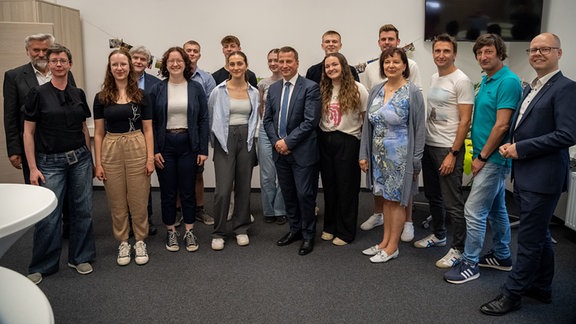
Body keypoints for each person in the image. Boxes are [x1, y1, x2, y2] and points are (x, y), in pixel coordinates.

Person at [481, 33, 576, 316]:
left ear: (558, 53)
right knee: (541, 235)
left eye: (544, 49)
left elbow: (568, 134)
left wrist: (520, 148)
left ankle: (512, 294)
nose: (537, 54)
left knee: (530, 240)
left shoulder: (566, 88)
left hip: (542, 177)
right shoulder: (531, 88)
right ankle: (542, 286)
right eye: (533, 50)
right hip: (525, 175)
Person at [444, 33, 522, 284]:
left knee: (474, 210)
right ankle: (502, 255)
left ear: (500, 53)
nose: (483, 57)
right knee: (497, 209)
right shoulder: (488, 79)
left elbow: (501, 126)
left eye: (488, 51)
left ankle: (470, 262)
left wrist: (482, 157)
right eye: (479, 53)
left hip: (493, 159)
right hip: (484, 155)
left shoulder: (508, 81)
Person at [23, 44, 96, 284]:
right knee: (49, 216)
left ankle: (80, 256)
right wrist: (33, 167)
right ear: (49, 65)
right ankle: (43, 265)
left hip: (80, 159)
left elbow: (84, 127)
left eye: (63, 60)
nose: (58, 64)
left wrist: (91, 157)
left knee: (82, 210)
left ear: (69, 65)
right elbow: (28, 132)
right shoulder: (37, 93)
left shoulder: (78, 94)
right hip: (50, 162)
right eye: (54, 61)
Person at [3, 33, 76, 239]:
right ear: (28, 51)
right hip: (32, 146)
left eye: (45, 50)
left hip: (62, 144)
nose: (41, 54)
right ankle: (45, 233)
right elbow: (10, 115)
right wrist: (14, 149)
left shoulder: (64, 72)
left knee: (69, 193)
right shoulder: (14, 76)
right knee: (39, 192)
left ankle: (68, 231)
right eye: (36, 50)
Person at [413, 34, 474, 269]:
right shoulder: (435, 77)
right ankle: (439, 235)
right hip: (430, 145)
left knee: (453, 202)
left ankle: (459, 248)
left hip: (448, 148)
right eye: (437, 51)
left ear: (454, 54)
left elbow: (465, 121)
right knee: (433, 196)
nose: (441, 55)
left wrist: (453, 153)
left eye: (446, 51)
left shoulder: (461, 80)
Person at [359, 47, 425, 263]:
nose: (391, 66)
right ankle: (384, 242)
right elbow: (367, 127)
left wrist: (416, 161)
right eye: (387, 62)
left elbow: (419, 128)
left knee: (396, 201)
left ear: (404, 65)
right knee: (386, 199)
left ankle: (393, 247)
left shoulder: (412, 92)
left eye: (396, 62)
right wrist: (365, 154)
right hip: (378, 157)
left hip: (400, 157)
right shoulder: (377, 90)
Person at [93, 49, 154, 266]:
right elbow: (98, 133)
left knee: (138, 198)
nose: (119, 68)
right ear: (110, 69)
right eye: (115, 65)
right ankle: (123, 241)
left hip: (137, 144)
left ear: (130, 67)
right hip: (111, 147)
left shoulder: (142, 96)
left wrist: (149, 159)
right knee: (116, 199)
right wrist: (98, 163)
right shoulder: (101, 98)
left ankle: (139, 240)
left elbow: (148, 129)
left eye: (123, 64)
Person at [149, 47, 209, 253]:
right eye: (170, 61)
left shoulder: (196, 88)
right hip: (165, 145)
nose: (175, 64)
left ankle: (190, 231)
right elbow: (152, 123)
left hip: (189, 145)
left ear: (186, 63)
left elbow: (203, 120)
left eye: (179, 60)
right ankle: (171, 231)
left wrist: (203, 149)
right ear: (165, 65)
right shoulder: (157, 89)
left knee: (188, 190)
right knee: (167, 191)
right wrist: (154, 150)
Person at [263, 46, 321, 256]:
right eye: (281, 61)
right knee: (288, 193)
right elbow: (267, 119)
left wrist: (288, 142)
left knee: (305, 194)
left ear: (297, 62)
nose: (285, 65)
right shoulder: (275, 88)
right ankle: (294, 229)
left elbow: (310, 122)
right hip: (280, 151)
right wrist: (277, 142)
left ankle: (307, 235)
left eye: (289, 61)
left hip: (302, 152)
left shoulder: (310, 87)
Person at [208, 51, 259, 251]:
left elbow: (255, 118)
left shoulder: (254, 92)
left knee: (244, 187)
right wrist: (216, 143)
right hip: (224, 139)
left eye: (240, 63)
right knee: (222, 190)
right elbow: (211, 117)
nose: (236, 67)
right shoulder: (218, 91)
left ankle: (241, 229)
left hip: (246, 139)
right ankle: (218, 232)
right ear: (228, 66)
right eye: (232, 64)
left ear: (246, 65)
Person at [319, 52, 368, 245]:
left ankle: (346, 231)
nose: (331, 69)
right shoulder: (323, 88)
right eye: (327, 66)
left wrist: (364, 152)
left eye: (334, 65)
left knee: (347, 188)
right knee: (329, 187)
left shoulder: (358, 89)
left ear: (344, 66)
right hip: (325, 140)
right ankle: (330, 226)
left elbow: (366, 122)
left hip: (348, 141)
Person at [183, 40, 216, 226]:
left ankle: (199, 209)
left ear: (199, 55)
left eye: (195, 51)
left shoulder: (206, 79)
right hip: (176, 134)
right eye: (188, 50)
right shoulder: (174, 77)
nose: (192, 53)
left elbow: (209, 110)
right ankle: (180, 211)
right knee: (178, 175)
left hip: (196, 134)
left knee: (197, 174)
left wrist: (206, 137)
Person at [129, 45, 161, 236]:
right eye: (135, 58)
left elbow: (157, 116)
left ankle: (146, 220)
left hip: (146, 138)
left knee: (144, 181)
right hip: (123, 137)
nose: (139, 62)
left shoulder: (155, 84)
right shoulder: (116, 82)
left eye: (143, 59)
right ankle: (129, 221)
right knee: (125, 184)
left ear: (148, 64)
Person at [258, 48, 287, 225]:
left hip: (284, 131)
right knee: (267, 174)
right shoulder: (263, 84)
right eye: (270, 60)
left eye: (277, 60)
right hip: (265, 130)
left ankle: (280, 209)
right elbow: (262, 107)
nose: (274, 63)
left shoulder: (289, 82)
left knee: (283, 172)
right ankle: (269, 210)